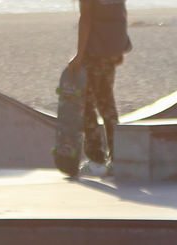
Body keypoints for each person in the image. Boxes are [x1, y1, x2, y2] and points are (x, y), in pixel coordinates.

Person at [70, 0, 131, 175]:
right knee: (107, 103)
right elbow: (121, 15)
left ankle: (96, 159)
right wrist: (119, 49)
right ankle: (117, 157)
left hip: (94, 53)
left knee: (88, 104)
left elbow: (86, 18)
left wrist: (79, 55)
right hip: (110, 51)